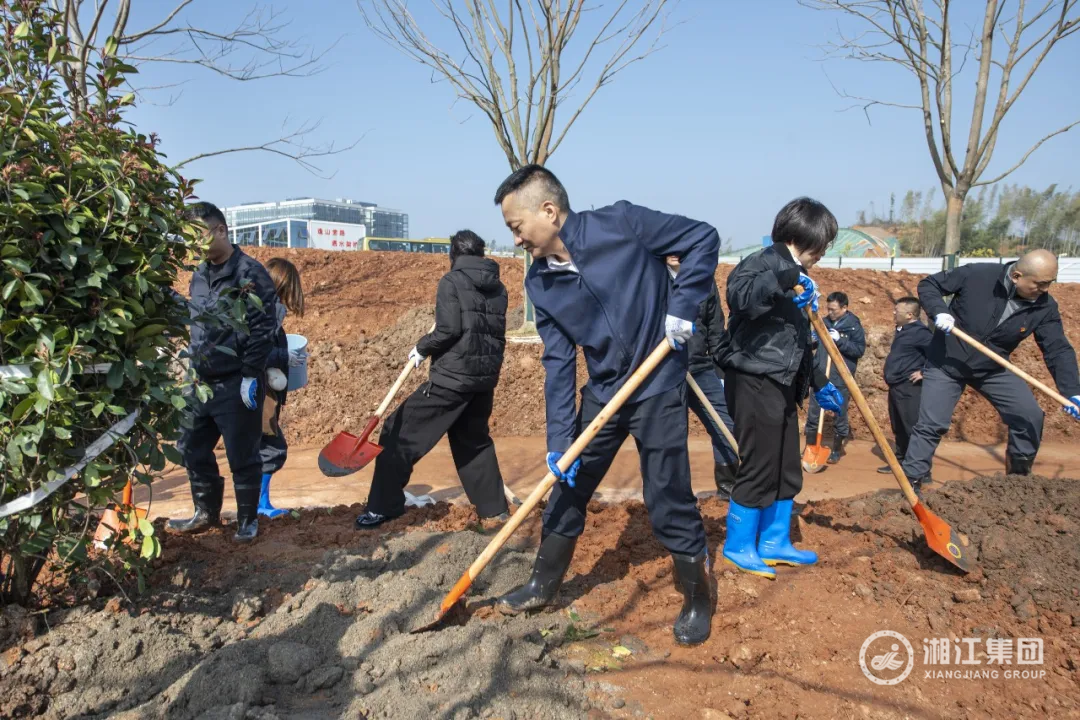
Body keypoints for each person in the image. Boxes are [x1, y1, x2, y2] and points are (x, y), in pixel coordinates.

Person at [492, 164, 719, 647]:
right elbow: (558, 364)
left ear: (549, 211)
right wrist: (560, 441)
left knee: (666, 492)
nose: (516, 239)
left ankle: (698, 591)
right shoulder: (540, 284)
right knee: (568, 485)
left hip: (658, 382)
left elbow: (703, 237)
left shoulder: (622, 224)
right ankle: (542, 584)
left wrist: (683, 306)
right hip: (605, 392)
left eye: (517, 227)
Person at [719, 198, 844, 580]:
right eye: (822, 243)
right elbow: (739, 296)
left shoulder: (800, 278)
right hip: (754, 378)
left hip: (782, 384)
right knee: (759, 462)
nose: (823, 253)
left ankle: (774, 542)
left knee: (786, 465)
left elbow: (799, 341)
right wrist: (787, 277)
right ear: (803, 235)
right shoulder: (762, 263)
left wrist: (819, 382)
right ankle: (738, 545)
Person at [356, 230, 511, 528]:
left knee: (397, 430)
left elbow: (449, 330)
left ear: (454, 254)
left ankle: (382, 507)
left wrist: (421, 347)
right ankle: (494, 510)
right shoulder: (499, 287)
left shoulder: (451, 281)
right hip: (483, 381)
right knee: (473, 442)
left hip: (452, 379)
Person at [903, 250, 1080, 491]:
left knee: (1029, 415)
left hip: (991, 367)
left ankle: (1017, 483)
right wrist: (939, 311)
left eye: (1049, 283)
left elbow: (1057, 349)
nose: (1045, 289)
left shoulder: (1045, 307)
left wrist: (1073, 391)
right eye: (1039, 284)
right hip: (946, 362)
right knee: (931, 424)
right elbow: (929, 284)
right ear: (1017, 276)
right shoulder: (978, 275)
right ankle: (911, 485)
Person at [169, 202, 278, 542]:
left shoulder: (249, 273)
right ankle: (205, 512)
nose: (194, 244)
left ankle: (247, 520)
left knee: (242, 454)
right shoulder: (200, 274)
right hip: (201, 381)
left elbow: (264, 328)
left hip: (236, 381)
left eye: (198, 235)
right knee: (190, 446)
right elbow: (198, 317)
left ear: (220, 230)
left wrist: (250, 373)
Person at [665, 255, 739, 499]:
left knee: (725, 423)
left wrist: (722, 371)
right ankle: (677, 496)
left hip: (699, 367)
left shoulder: (703, 281)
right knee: (673, 434)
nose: (674, 252)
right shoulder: (652, 279)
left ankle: (728, 487)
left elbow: (716, 329)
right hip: (665, 371)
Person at [257, 258, 307, 518]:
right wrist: (282, 357)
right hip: (259, 390)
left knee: (265, 445)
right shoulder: (266, 312)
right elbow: (252, 351)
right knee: (271, 447)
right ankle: (258, 504)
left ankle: (257, 503)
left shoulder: (261, 308)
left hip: (261, 389)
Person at [804, 291, 865, 464]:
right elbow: (812, 345)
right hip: (820, 376)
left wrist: (840, 340)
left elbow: (859, 350)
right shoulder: (823, 322)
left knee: (839, 413)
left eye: (834, 310)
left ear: (844, 308)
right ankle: (810, 447)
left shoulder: (853, 326)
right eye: (828, 309)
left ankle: (836, 450)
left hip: (841, 377)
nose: (830, 312)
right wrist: (812, 340)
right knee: (814, 414)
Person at [877, 297, 933, 475]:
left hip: (910, 387)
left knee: (911, 427)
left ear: (910, 315)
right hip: (896, 386)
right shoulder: (902, 330)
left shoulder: (921, 333)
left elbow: (938, 354)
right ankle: (901, 462)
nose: (894, 312)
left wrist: (924, 372)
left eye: (897, 310)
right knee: (899, 427)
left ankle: (922, 472)